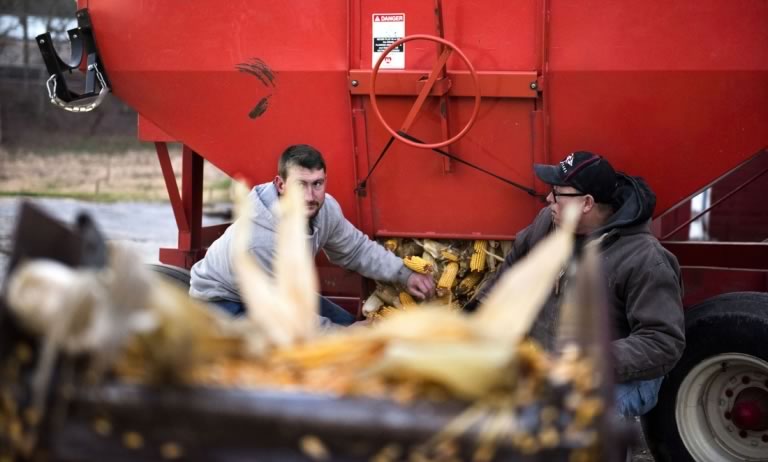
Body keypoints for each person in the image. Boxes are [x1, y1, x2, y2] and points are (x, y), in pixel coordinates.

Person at [466, 151, 685, 418]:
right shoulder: (548, 223)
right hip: (552, 366)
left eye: (558, 193)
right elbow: (514, 267)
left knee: (577, 424)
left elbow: (663, 342)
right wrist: (476, 315)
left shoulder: (645, 260)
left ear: (587, 203)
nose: (549, 199)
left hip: (620, 377)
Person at [190, 144, 435, 326]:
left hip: (279, 292)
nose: (310, 196)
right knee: (293, 350)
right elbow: (283, 317)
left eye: (317, 184)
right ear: (281, 184)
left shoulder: (325, 208)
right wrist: (343, 335)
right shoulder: (260, 241)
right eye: (301, 184)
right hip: (223, 300)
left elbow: (356, 249)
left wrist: (403, 274)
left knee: (348, 322)